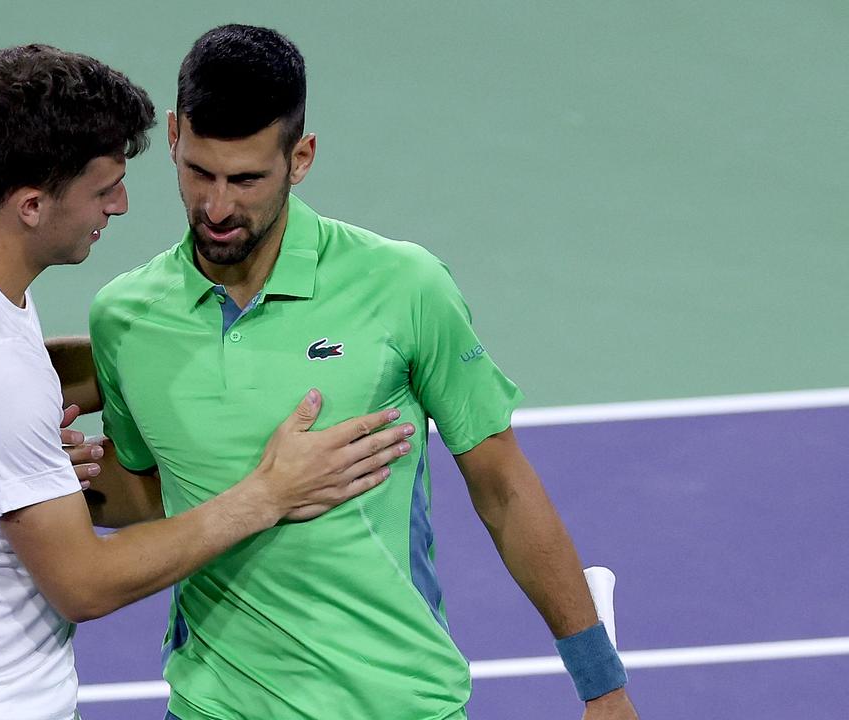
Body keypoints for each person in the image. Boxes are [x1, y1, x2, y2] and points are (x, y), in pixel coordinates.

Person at [81, 25, 639, 720]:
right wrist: (31, 472)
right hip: (212, 706)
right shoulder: (125, 319)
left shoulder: (404, 287)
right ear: (172, 137)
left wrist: (603, 687)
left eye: (247, 179)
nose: (218, 207)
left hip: (396, 703)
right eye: (199, 172)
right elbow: (150, 489)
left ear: (301, 157)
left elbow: (504, 490)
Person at [0, 43, 415, 720]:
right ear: (32, 204)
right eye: (103, 189)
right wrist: (268, 494)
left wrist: (162, 354)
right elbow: (83, 586)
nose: (119, 205)